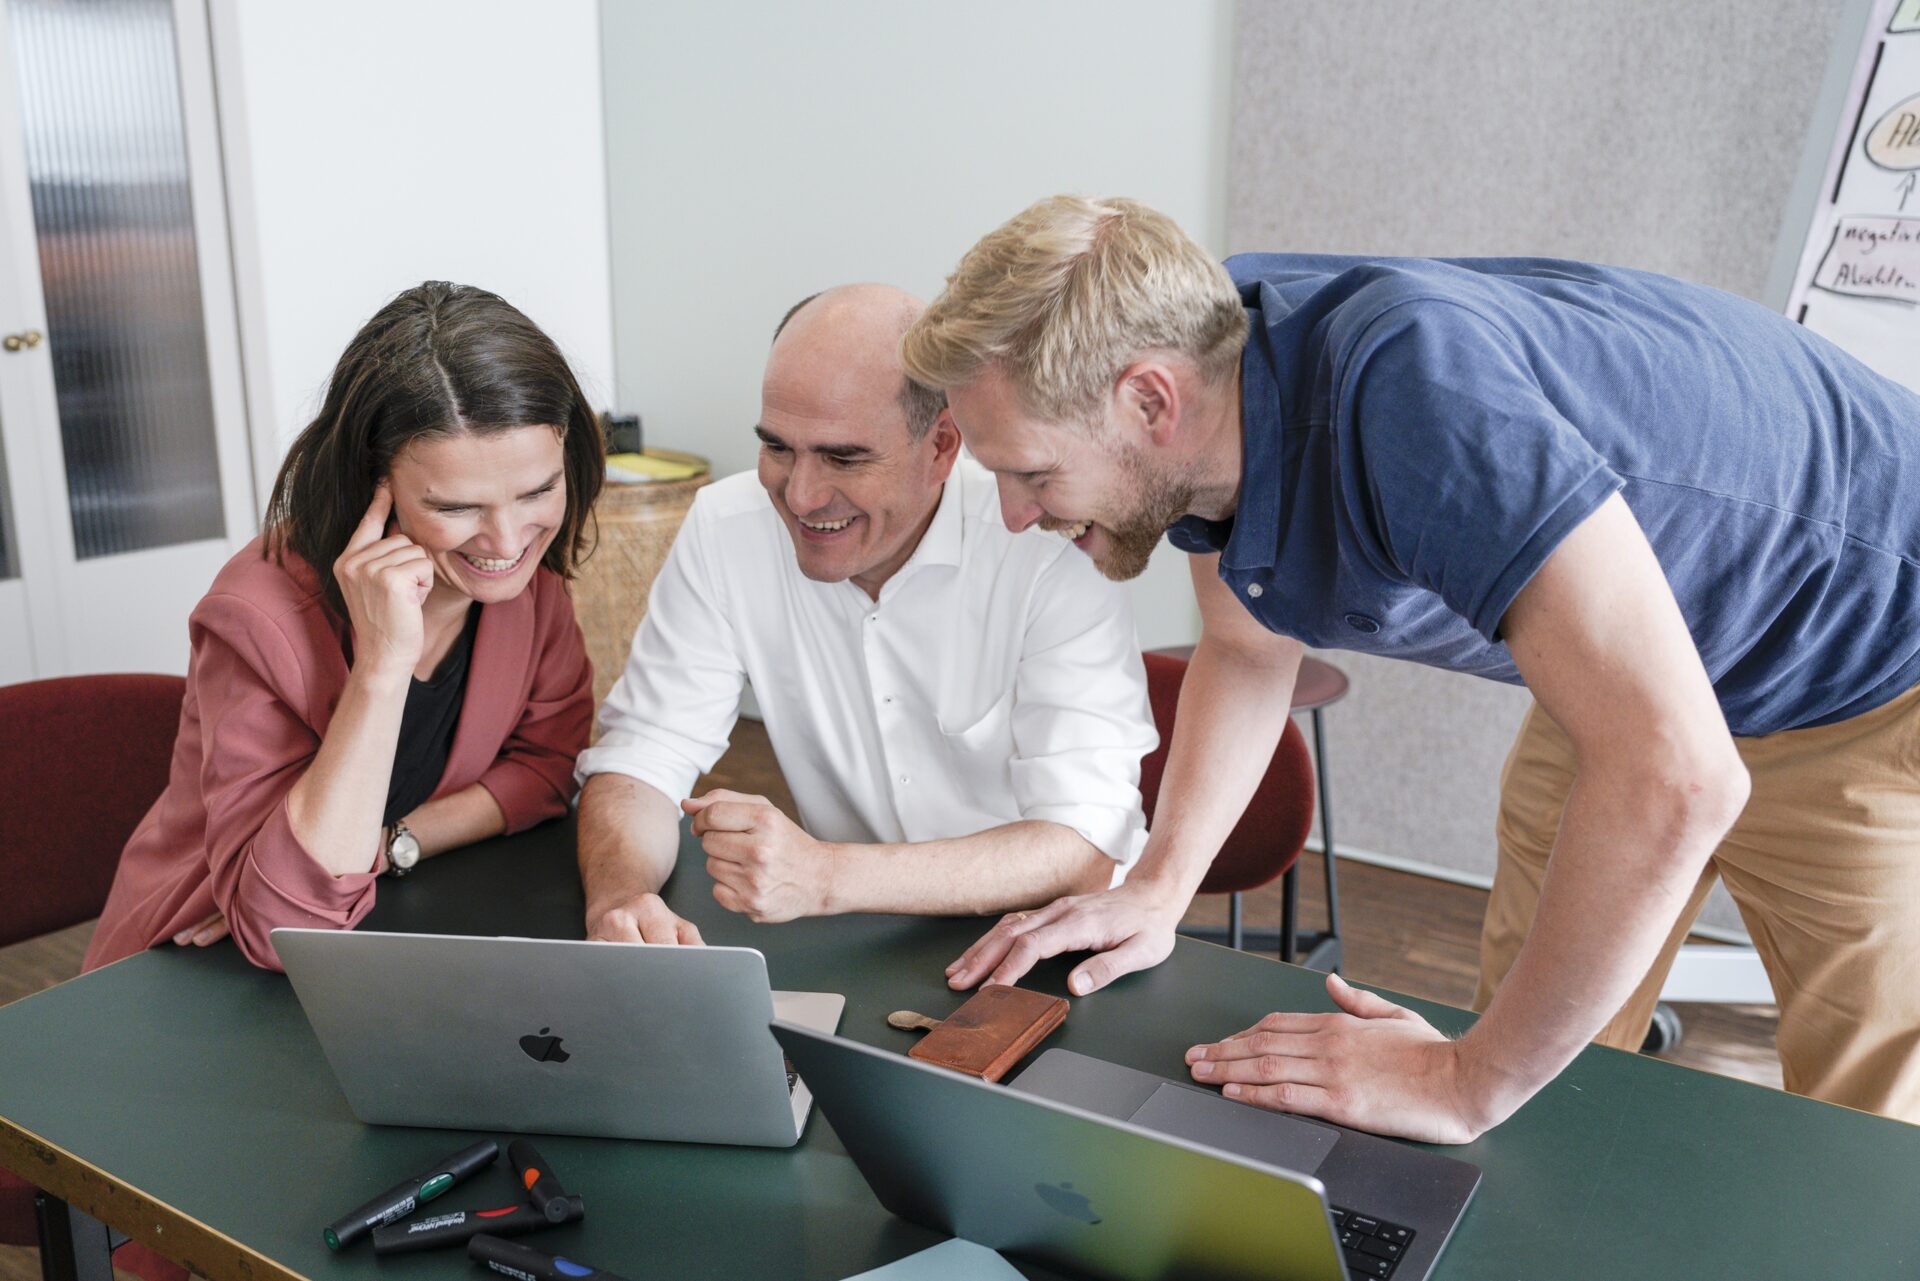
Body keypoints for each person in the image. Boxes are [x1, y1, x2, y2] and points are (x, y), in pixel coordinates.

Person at [898, 194, 1920, 1141]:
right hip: (1650, 666)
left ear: (1149, 403)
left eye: (1028, 473)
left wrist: (1464, 1081)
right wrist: (1161, 886)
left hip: (1870, 657)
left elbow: (1680, 777)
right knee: (1542, 1037)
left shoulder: (1415, 400)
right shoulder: (1208, 375)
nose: (1017, 515)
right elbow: (1248, 645)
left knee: (1862, 1106)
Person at [572, 283, 1155, 945]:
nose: (801, 493)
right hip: (858, 932)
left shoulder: (1047, 542)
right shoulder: (726, 527)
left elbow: (1082, 845)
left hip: (1052, 936)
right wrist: (620, 898)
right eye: (779, 448)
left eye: (843, 457)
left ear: (942, 446)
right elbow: (644, 752)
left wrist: (823, 874)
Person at [84, 282, 600, 973]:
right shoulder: (260, 615)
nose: (508, 539)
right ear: (372, 481)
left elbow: (546, 767)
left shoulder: (529, 587)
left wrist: (388, 845)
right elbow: (284, 925)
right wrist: (383, 666)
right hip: (204, 968)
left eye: (538, 490)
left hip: (397, 925)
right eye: (456, 505)